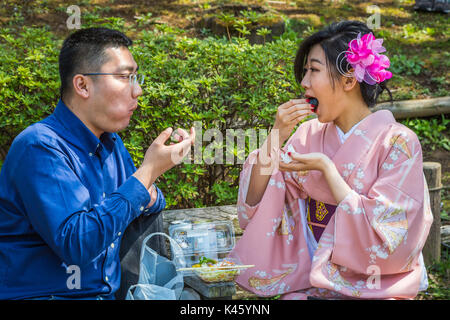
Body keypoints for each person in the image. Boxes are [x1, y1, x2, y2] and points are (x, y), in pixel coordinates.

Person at [229, 20, 433, 299]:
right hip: (314, 281)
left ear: (349, 80)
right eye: (304, 72)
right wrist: (275, 137)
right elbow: (258, 202)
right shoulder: (308, 133)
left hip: (379, 286)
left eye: (313, 70)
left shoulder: (398, 143)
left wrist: (327, 169)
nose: (304, 83)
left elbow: (392, 235)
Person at [0, 27, 195, 299]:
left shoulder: (110, 143)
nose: (137, 90)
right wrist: (149, 171)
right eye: (125, 77)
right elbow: (76, 245)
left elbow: (146, 200)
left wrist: (147, 188)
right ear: (82, 85)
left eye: (135, 77)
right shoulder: (40, 147)